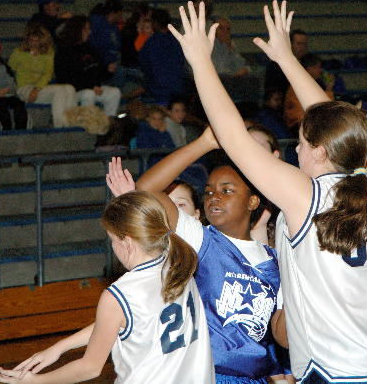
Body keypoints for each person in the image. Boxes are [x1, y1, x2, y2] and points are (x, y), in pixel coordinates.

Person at [169, 0, 367, 382]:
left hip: (341, 370)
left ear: (319, 151)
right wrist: (287, 60)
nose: (297, 150)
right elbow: (339, 125)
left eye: (302, 143)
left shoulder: (307, 195)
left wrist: (201, 62)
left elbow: (234, 137)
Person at [107, 128, 283, 383]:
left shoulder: (275, 261)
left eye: (226, 190)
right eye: (208, 192)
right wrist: (204, 142)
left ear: (253, 202)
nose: (214, 198)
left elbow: (280, 336)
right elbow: (146, 189)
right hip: (205, 374)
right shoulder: (202, 239)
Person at [0, 190, 214, 383]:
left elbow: (90, 368)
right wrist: (60, 347)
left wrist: (37, 381)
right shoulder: (178, 264)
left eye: (112, 239)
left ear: (127, 242)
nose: (112, 247)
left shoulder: (121, 293)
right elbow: (118, 323)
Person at [9, 24, 76, 128]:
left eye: (37, 41)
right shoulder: (18, 53)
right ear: (27, 40)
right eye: (31, 40)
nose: (33, 43)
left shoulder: (48, 53)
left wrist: (37, 88)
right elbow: (9, 71)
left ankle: (70, 123)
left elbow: (48, 73)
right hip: (24, 88)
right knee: (60, 90)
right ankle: (58, 125)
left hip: (40, 88)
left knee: (69, 88)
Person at [55, 15, 121, 117]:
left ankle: (108, 122)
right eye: (86, 29)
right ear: (77, 30)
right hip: (74, 92)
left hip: (93, 88)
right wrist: (90, 87)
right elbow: (66, 79)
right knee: (88, 94)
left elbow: (98, 71)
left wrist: (108, 70)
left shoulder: (89, 48)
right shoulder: (64, 51)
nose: (89, 32)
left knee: (114, 92)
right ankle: (87, 123)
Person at [139, 8, 186, 106]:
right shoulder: (177, 41)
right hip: (178, 89)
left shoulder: (151, 43)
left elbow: (145, 66)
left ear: (155, 23)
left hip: (158, 91)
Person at [283, 53, 334, 133]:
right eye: (316, 67)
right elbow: (325, 107)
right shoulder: (301, 84)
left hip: (305, 121)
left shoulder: (306, 82)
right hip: (300, 124)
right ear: (308, 69)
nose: (320, 70)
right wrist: (329, 89)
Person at [264, 29, 308, 97]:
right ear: (290, 44)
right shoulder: (276, 65)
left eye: (304, 44)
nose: (302, 47)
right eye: (299, 44)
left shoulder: (309, 63)